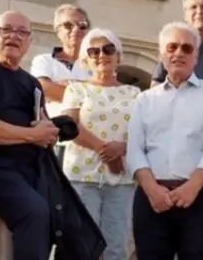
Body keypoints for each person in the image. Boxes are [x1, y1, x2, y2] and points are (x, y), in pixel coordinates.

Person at [0, 10, 60, 260]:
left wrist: (50, 132)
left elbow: (42, 129)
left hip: (28, 169)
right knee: (33, 211)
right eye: (6, 30)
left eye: (22, 32)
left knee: (65, 218)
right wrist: (32, 135)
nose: (14, 36)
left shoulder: (32, 83)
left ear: (29, 41)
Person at [127, 22, 203, 260]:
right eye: (172, 47)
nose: (179, 54)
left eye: (186, 48)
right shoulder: (144, 100)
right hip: (151, 199)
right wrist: (152, 190)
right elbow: (134, 150)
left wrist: (191, 188)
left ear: (196, 56)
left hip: (199, 199)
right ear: (162, 54)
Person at [61, 28, 141, 260]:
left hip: (122, 179)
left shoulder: (134, 92)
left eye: (108, 49)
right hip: (81, 176)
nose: (101, 55)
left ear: (118, 55)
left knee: (117, 247)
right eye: (93, 51)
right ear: (85, 58)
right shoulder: (76, 89)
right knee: (81, 245)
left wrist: (122, 148)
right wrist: (109, 153)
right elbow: (71, 126)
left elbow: (142, 131)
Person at [30, 4, 92, 157]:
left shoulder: (97, 62)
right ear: (58, 31)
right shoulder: (44, 61)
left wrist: (64, 85)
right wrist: (86, 90)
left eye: (82, 25)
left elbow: (104, 93)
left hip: (90, 143)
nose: (76, 30)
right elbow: (44, 89)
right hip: (56, 142)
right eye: (68, 25)